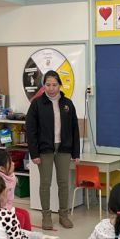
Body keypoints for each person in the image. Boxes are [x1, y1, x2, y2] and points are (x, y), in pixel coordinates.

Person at [26, 70, 80, 230]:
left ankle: (64, 215)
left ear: (59, 85)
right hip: (44, 149)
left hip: (64, 148)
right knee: (45, 183)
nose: (51, 88)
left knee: (64, 183)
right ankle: (46, 216)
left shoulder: (67, 104)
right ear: (44, 86)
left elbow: (74, 129)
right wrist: (34, 153)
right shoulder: (36, 104)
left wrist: (76, 153)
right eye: (48, 85)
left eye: (54, 85)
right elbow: (31, 130)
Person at [0, 150, 48, 239]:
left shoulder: (9, 176)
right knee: (20, 217)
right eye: (10, 163)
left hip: (6, 207)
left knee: (25, 213)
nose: (14, 163)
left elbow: (9, 199)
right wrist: (9, 212)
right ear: (1, 169)